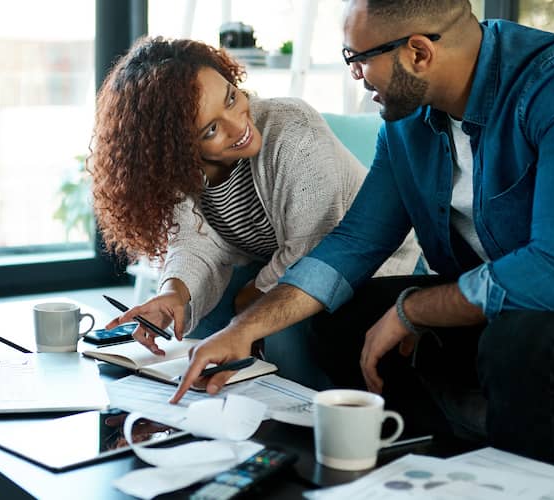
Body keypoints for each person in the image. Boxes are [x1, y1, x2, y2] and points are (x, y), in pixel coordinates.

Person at [172, 0, 554, 469]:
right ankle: (418, 464)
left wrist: (415, 310)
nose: (353, 75)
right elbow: (353, 246)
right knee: (338, 314)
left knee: (523, 340)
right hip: (513, 310)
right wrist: (242, 330)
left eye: (356, 59)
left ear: (418, 52)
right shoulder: (407, 123)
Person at [91, 36, 421, 389]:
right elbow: (195, 243)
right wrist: (175, 293)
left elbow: (314, 252)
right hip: (275, 264)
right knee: (197, 325)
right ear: (177, 151)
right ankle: (205, 410)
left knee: (279, 331)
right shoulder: (181, 172)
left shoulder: (293, 130)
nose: (238, 125)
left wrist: (248, 301)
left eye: (232, 98)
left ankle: (301, 417)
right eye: (212, 130)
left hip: (368, 266)